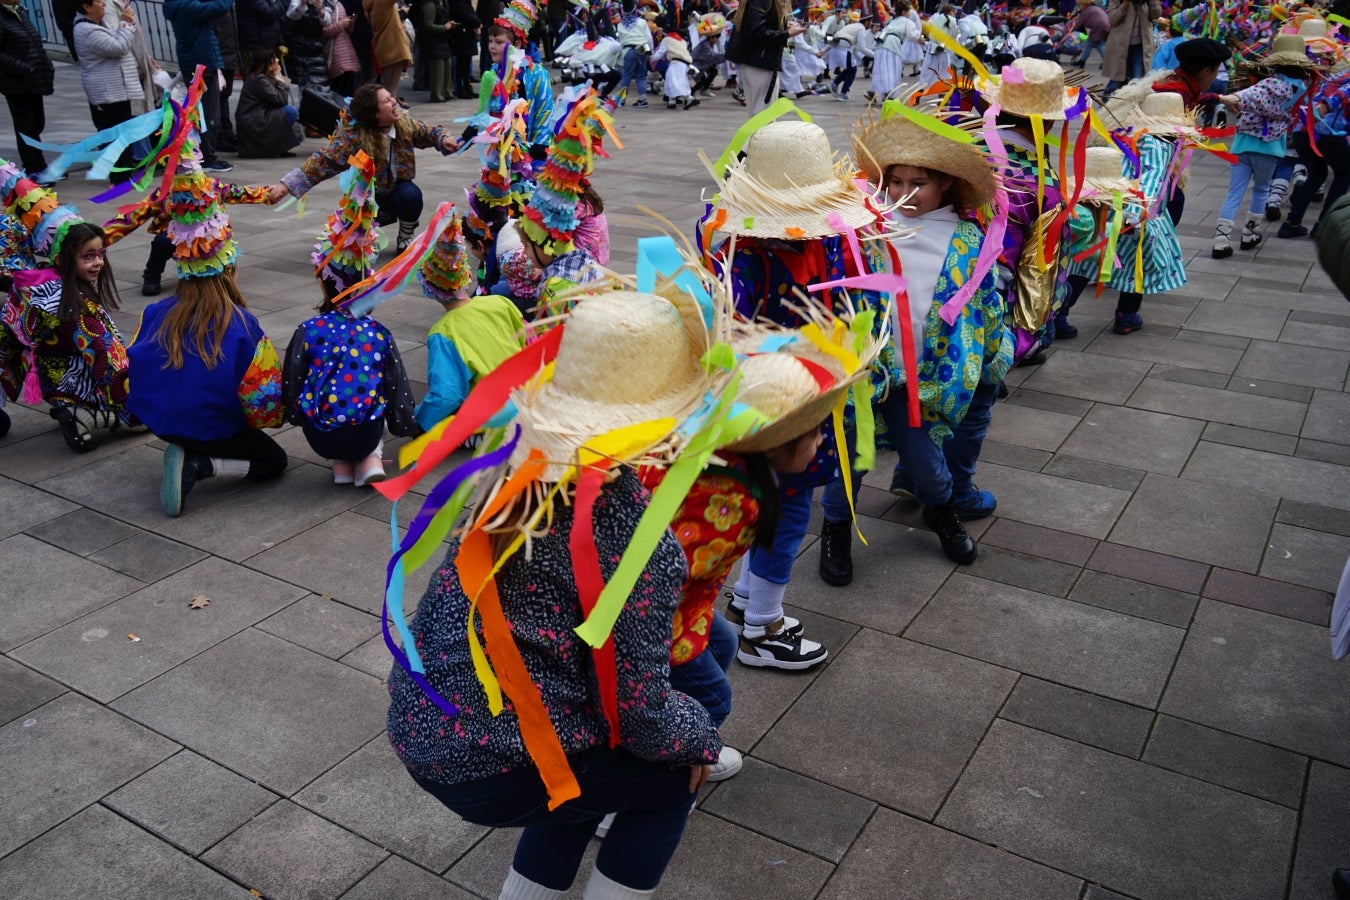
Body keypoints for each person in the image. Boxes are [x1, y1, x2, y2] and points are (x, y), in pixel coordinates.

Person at [386, 287, 726, 900]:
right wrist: (702, 735)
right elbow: (642, 712)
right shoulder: (638, 539)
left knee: (584, 774)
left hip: (422, 723)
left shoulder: (511, 473)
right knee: (671, 781)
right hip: (496, 761)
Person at [703, 116, 894, 667]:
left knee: (772, 503)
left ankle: (746, 596)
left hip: (767, 400)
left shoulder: (743, 249)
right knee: (787, 511)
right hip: (789, 406)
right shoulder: (788, 254)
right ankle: (763, 626)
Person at [823, 102, 1012, 574]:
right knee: (851, 456)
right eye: (895, 182)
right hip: (867, 373)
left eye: (918, 183)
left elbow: (985, 301)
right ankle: (835, 527)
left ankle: (942, 510)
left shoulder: (968, 238)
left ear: (946, 182)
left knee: (927, 464)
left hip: (926, 379)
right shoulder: (865, 228)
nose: (904, 194)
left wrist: (992, 358)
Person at [126, 151, 286, 517]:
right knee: (273, 462)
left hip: (163, 425)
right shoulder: (244, 325)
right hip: (213, 428)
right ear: (229, 267)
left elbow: (131, 369)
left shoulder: (152, 313)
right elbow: (263, 403)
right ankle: (203, 464)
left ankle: (186, 451)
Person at [282, 191, 417, 486]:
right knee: (374, 393)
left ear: (322, 281)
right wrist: (406, 425)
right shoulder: (378, 333)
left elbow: (293, 378)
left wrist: (294, 415)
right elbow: (397, 389)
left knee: (332, 391)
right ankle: (370, 460)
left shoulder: (308, 329)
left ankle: (341, 468)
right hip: (365, 434)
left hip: (319, 437)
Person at [0, 169, 134, 451]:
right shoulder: (77, 306)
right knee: (147, 416)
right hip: (81, 386)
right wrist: (134, 394)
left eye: (100, 254)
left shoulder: (35, 290)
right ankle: (89, 416)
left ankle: (70, 408)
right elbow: (103, 353)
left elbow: (6, 338)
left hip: (55, 384)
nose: (97, 263)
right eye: (88, 256)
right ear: (64, 259)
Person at [267, 83, 458, 252]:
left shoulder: (404, 125)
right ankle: (367, 233)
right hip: (367, 197)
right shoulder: (354, 139)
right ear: (374, 114)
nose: (394, 102)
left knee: (411, 195)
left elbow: (430, 132)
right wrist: (285, 186)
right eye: (386, 101)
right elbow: (322, 162)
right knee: (352, 239)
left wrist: (443, 139)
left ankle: (405, 236)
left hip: (397, 191)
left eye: (391, 97)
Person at [413, 214, 526, 430]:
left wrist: (419, 421)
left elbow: (447, 394)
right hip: (527, 402)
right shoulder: (499, 302)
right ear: (466, 274)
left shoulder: (443, 333)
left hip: (495, 423)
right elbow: (529, 343)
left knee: (448, 428)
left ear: (428, 287)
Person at [1212, 34, 1318, 259]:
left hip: (1243, 145)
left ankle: (1221, 241)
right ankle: (1249, 234)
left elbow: (1246, 97)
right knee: (1261, 190)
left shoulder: (1267, 84)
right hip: (1270, 148)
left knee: (1234, 192)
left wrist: (1231, 99)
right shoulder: (1301, 89)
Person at [72, 0, 144, 180]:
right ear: (86, 6)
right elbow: (118, 47)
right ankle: (119, 176)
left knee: (122, 132)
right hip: (107, 93)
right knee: (114, 134)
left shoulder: (97, 25)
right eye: (97, 1)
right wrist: (126, 23)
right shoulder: (86, 30)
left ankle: (124, 173)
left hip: (117, 90)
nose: (103, 4)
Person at [163, 0, 236, 173]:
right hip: (201, 64)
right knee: (208, 115)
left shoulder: (178, 5)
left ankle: (202, 156)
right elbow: (219, 7)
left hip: (198, 62)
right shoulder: (186, 6)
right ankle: (206, 158)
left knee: (202, 113)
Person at [1280, 71, 1350, 239]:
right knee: (1344, 174)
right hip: (1326, 132)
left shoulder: (1339, 75)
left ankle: (1291, 224)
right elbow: (1342, 94)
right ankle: (1322, 226)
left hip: (1303, 132)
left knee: (1317, 175)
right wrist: (1324, 108)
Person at [0, 0, 56, 182]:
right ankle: (34, 167)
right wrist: (23, 68)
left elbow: (33, 41)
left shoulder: (20, 12)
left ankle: (39, 164)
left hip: (33, 78)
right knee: (26, 126)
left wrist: (45, 66)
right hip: (15, 81)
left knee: (37, 123)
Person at [725, 0, 806, 115]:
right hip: (760, 63)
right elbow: (758, 32)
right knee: (764, 114)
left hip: (755, 62)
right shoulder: (762, 2)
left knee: (757, 113)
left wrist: (782, 26)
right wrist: (787, 34)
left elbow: (756, 27)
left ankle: (755, 133)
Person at [235, 51, 304, 157]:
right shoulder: (259, 79)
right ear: (267, 63)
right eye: (274, 58)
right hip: (255, 121)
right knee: (290, 111)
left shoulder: (260, 77)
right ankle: (273, 148)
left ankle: (277, 147)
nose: (277, 60)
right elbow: (281, 100)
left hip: (257, 117)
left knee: (288, 112)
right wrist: (279, 77)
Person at [1103, 0, 1162, 93]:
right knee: (1116, 81)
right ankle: (1106, 100)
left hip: (1140, 46)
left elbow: (1156, 15)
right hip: (1120, 45)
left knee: (1136, 81)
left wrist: (1153, 3)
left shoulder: (1146, 2)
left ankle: (1130, 104)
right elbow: (1112, 19)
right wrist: (1124, 4)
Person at [365, 0, 413, 100]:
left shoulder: (369, 4)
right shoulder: (381, 2)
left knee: (389, 88)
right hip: (393, 49)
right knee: (391, 93)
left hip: (384, 47)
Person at [283, 0, 328, 89]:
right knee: (294, 85)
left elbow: (327, 22)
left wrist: (320, 10)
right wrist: (302, 4)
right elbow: (291, 15)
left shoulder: (324, 2)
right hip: (296, 49)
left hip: (316, 50)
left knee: (319, 87)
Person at [321, 0, 360, 97]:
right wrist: (341, 25)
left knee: (346, 94)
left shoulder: (339, 4)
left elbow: (346, 32)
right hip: (335, 56)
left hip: (347, 55)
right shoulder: (321, 5)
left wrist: (350, 24)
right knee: (336, 93)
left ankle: (344, 112)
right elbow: (321, 33)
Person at [236, 0, 286, 73]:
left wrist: (280, 41)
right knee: (256, 80)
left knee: (268, 80)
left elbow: (274, 20)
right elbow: (269, 13)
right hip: (253, 46)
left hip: (267, 44)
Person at [420, 0, 455, 101]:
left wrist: (448, 25)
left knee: (447, 66)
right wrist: (444, 27)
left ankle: (447, 92)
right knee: (438, 69)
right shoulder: (430, 5)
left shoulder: (442, 4)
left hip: (443, 40)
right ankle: (437, 95)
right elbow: (428, 25)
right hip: (433, 41)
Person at [1070, 0, 1109, 69]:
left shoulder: (1086, 11)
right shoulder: (1094, 8)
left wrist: (1071, 29)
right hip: (1104, 26)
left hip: (1098, 27)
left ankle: (1107, 61)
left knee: (1097, 44)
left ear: (1084, 5)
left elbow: (1079, 23)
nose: (1079, 7)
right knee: (1091, 43)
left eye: (1080, 5)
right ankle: (1082, 60)